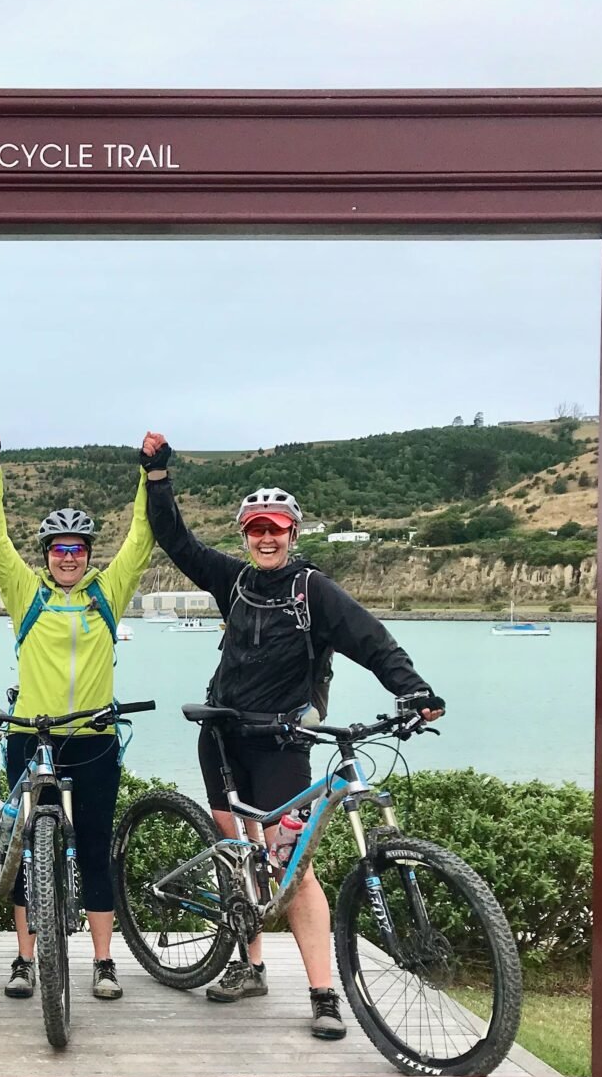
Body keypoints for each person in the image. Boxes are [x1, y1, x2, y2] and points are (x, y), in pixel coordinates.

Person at [139, 432, 444, 1040]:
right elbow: (175, 540)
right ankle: (249, 968)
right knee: (237, 855)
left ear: (293, 532)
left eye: (276, 527)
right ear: (246, 535)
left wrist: (411, 690)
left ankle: (324, 993)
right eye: (256, 528)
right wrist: (157, 477)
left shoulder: (315, 590)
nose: (266, 536)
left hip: (282, 743)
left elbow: (371, 639)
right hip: (223, 735)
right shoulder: (233, 581)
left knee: (292, 867)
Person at [0, 432, 154, 1002]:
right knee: (29, 851)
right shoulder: (27, 594)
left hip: (95, 741)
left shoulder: (108, 593)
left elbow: (141, 539)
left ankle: (104, 963)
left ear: (88, 555)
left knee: (94, 850)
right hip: (32, 739)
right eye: (59, 548)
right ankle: (25, 959)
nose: (69, 556)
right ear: (47, 554)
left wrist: (149, 474)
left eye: (78, 548)